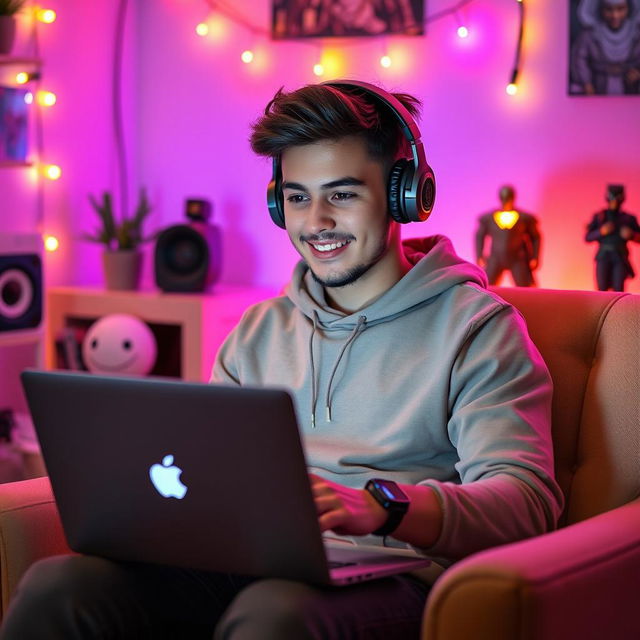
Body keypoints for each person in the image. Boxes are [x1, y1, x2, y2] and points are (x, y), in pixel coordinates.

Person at [0, 80, 564, 640]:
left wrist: (383, 504)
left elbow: (526, 501)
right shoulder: (258, 330)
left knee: (274, 615)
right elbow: (205, 472)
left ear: (404, 195)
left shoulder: (477, 329)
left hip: (394, 574)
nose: (315, 221)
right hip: (247, 563)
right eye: (298, 197)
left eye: (341, 194)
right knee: (61, 588)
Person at [474, 184, 541, 287]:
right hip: (496, 257)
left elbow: (535, 237)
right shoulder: (489, 218)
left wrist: (535, 257)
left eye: (508, 198)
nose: (506, 201)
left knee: (525, 288)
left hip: (517, 258)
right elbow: (479, 236)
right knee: (486, 286)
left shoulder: (524, 218)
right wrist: (479, 255)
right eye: (504, 198)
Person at [570, 0, 640, 95]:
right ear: (600, 9)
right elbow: (579, 59)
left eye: (621, 9)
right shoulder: (589, 36)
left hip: (631, 88)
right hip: (598, 85)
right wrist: (586, 82)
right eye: (608, 9)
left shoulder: (637, 34)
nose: (615, 16)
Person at [585, 184, 640, 291]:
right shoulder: (600, 216)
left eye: (617, 197)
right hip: (603, 256)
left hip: (620, 256)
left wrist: (632, 235)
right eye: (612, 197)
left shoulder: (628, 218)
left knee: (618, 290)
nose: (614, 201)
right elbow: (587, 237)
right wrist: (601, 231)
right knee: (601, 290)